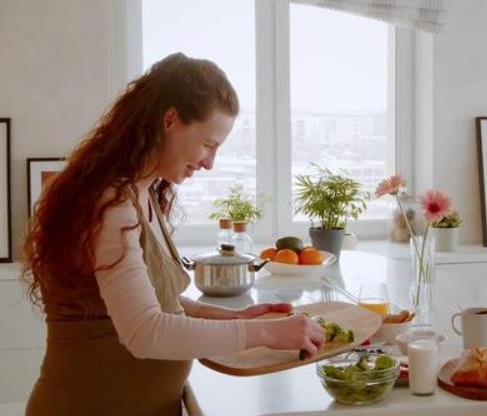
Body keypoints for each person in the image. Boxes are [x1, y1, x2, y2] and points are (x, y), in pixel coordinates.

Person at [22, 52, 324, 416]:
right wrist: (267, 334)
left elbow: (160, 301)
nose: (210, 162)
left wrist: (228, 318)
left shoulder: (143, 193)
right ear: (170, 120)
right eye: (209, 144)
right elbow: (145, 331)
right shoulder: (111, 205)